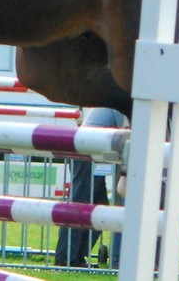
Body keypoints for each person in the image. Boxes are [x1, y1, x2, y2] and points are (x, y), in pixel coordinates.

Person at [54, 108, 126, 268]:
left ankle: (75, 257)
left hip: (90, 153)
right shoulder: (118, 101)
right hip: (86, 153)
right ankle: (66, 258)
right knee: (80, 204)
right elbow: (126, 135)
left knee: (95, 206)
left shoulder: (112, 98)